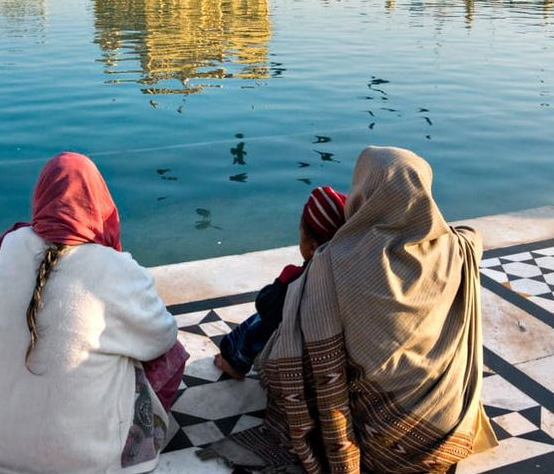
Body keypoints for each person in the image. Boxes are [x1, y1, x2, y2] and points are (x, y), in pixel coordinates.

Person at [204, 147, 497, 474]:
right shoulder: (461, 248)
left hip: (380, 444)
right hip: (448, 431)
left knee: (291, 345)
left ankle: (236, 356)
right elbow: (469, 234)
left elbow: (292, 327)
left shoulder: (335, 260)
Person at [0, 152, 187, 474]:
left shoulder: (10, 245)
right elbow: (161, 339)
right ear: (99, 201)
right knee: (168, 352)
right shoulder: (117, 268)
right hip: (84, 460)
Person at [214, 186, 347, 380]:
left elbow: (265, 305)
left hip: (298, 357)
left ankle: (236, 362)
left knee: (258, 323)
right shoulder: (352, 273)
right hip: (338, 356)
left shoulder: (296, 278)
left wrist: (281, 282)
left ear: (311, 247)